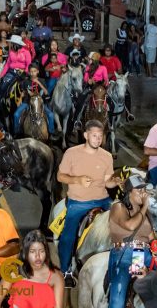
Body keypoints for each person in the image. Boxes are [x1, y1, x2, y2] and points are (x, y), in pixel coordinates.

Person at [57, 120, 121, 285]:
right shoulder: (71, 153)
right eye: (94, 135)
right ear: (86, 135)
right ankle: (65, 271)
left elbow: (108, 182)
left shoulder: (106, 156)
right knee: (68, 236)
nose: (98, 139)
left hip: (103, 199)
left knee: (123, 225)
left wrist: (117, 182)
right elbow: (60, 176)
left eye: (100, 136)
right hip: (79, 202)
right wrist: (77, 179)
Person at [107, 175, 157, 308]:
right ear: (129, 192)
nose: (143, 193)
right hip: (125, 254)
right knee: (118, 297)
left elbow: (152, 238)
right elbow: (130, 226)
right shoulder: (118, 207)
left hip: (145, 254)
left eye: (144, 189)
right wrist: (145, 206)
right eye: (139, 190)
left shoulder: (145, 214)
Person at [0, 229, 65, 308]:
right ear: (25, 253)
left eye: (41, 251)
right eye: (32, 251)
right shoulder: (13, 271)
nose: (38, 256)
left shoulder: (56, 277)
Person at [13, 63, 56, 137]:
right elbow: (23, 92)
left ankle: (51, 133)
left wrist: (38, 82)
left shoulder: (42, 80)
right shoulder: (26, 82)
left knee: (51, 115)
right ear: (29, 72)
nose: (33, 73)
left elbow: (46, 92)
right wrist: (20, 99)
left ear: (38, 71)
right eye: (31, 71)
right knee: (16, 115)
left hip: (39, 102)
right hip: (27, 101)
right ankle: (17, 132)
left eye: (34, 71)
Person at [0, 35, 32, 103]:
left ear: (17, 44)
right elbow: (7, 64)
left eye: (12, 43)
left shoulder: (26, 52)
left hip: (23, 73)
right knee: (3, 86)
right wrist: (1, 75)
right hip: (12, 72)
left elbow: (29, 65)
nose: (11, 45)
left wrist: (25, 73)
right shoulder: (11, 52)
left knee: (26, 88)